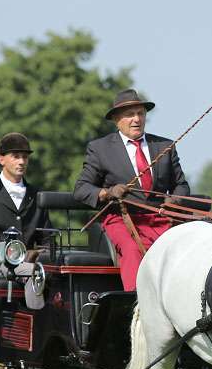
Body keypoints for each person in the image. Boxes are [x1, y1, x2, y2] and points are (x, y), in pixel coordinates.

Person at [73, 88, 190, 291]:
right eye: (129, 115)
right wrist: (108, 193)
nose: (136, 119)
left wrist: (176, 200)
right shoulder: (100, 149)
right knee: (132, 248)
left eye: (140, 114)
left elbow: (181, 185)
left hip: (161, 218)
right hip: (121, 219)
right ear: (116, 119)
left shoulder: (164, 145)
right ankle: (138, 306)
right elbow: (82, 189)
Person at [0, 133, 53, 308]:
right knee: (36, 273)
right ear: (2, 160)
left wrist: (42, 254)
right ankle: (37, 327)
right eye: (15, 157)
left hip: (32, 262)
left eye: (24, 157)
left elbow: (47, 238)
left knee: (60, 274)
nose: (21, 162)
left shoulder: (37, 195)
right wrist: (14, 255)